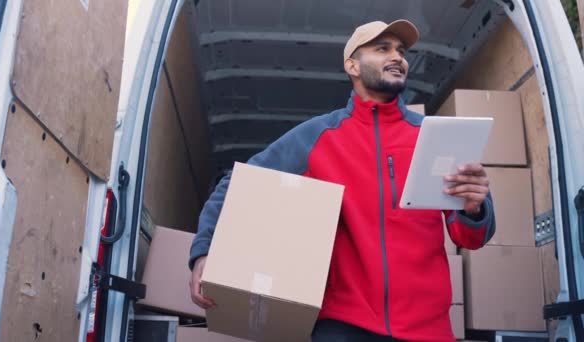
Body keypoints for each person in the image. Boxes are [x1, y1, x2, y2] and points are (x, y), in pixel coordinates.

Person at [188, 20, 495, 342]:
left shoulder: (434, 136)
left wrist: (474, 209)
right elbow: (237, 185)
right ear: (352, 65)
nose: (397, 57)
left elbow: (470, 237)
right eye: (382, 49)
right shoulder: (319, 136)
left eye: (401, 51)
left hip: (428, 328)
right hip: (343, 326)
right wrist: (205, 251)